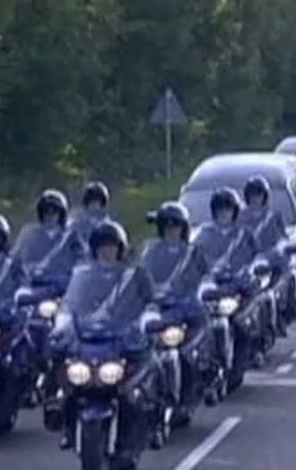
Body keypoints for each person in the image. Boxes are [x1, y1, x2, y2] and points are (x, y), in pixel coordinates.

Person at [53, 220, 162, 450]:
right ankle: (65, 423)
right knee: (64, 369)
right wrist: (62, 324)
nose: (107, 252)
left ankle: (155, 424)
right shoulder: (83, 275)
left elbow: (150, 302)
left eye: (112, 247)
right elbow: (70, 304)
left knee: (152, 369)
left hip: (124, 341)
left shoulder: (135, 274)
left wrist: (146, 320)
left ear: (120, 250)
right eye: (102, 248)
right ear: (94, 250)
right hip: (90, 341)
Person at [138, 202, 210, 409]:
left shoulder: (194, 253)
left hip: (185, 312)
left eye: (176, 226)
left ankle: (197, 383)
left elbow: (206, 278)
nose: (172, 231)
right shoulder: (149, 251)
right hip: (156, 311)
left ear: (184, 229)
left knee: (191, 351)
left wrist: (202, 292)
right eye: (167, 226)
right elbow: (136, 274)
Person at [237, 176, 291, 337]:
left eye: (259, 195)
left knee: (276, 289)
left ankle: (278, 319)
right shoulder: (240, 217)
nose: (256, 199)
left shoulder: (274, 216)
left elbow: (282, 239)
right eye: (253, 196)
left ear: (265, 197)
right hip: (248, 263)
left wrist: (279, 254)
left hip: (270, 263)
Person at [70, 181, 113, 250]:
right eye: (92, 200)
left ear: (102, 203)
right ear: (87, 201)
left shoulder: (106, 223)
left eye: (97, 201)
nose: (94, 204)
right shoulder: (77, 218)